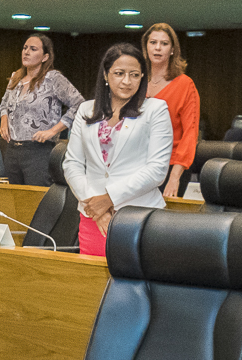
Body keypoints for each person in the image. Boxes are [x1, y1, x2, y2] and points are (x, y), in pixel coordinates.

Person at [61, 43, 173, 257]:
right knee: (91, 285)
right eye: (119, 73)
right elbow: (72, 163)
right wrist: (95, 205)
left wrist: (109, 198)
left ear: (142, 77)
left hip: (138, 215)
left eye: (134, 75)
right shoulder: (86, 109)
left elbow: (157, 170)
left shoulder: (155, 110)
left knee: (134, 286)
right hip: (93, 215)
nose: (126, 81)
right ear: (106, 74)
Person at [0, 34, 84, 186]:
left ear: (45, 57)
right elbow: (4, 104)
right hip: (12, 149)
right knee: (16, 201)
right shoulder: (15, 77)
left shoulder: (53, 78)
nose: (26, 52)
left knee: (36, 201)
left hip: (38, 150)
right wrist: (4, 120)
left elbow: (79, 105)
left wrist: (53, 131)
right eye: (25, 48)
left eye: (33, 49)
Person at [140, 22, 199, 198]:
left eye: (164, 44)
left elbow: (190, 134)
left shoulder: (185, 84)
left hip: (170, 166)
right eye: (153, 42)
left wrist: (174, 177)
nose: (158, 48)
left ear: (172, 50)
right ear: (146, 47)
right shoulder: (136, 81)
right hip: (136, 165)